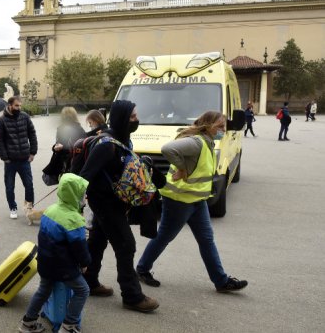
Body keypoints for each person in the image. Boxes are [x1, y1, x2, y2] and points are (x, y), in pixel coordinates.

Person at [136, 111, 249, 293]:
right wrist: (182, 168)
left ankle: (221, 281)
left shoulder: (208, 142)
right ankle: (142, 269)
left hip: (197, 200)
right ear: (208, 125)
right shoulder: (197, 142)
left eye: (224, 126)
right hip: (179, 200)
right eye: (219, 126)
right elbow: (168, 149)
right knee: (165, 236)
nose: (223, 130)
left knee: (206, 239)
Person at [79, 100, 159, 312]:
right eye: (133, 116)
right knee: (126, 245)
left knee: (97, 241)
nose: (136, 120)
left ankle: (89, 280)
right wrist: (75, 207)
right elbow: (84, 177)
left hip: (116, 202)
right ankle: (132, 296)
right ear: (123, 118)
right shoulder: (106, 146)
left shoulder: (123, 141)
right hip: (105, 203)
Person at [17, 173, 91, 333]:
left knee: (43, 290)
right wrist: (85, 263)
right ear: (74, 194)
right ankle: (69, 325)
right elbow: (80, 249)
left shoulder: (50, 210)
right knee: (83, 290)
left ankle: (27, 323)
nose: (85, 196)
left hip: (45, 262)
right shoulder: (74, 219)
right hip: (63, 267)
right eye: (83, 193)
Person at [0, 96, 38, 220]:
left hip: (25, 159)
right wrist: (4, 157)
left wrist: (32, 153)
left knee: (29, 185)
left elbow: (32, 134)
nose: (19, 108)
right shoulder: (1, 120)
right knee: (9, 186)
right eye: (16, 106)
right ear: (10, 105)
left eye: (20, 105)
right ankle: (13, 208)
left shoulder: (25, 117)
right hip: (10, 161)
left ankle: (29, 208)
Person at [52, 107, 86, 173]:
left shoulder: (61, 128)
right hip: (75, 161)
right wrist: (55, 147)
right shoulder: (79, 128)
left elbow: (78, 146)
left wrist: (57, 147)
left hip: (70, 161)